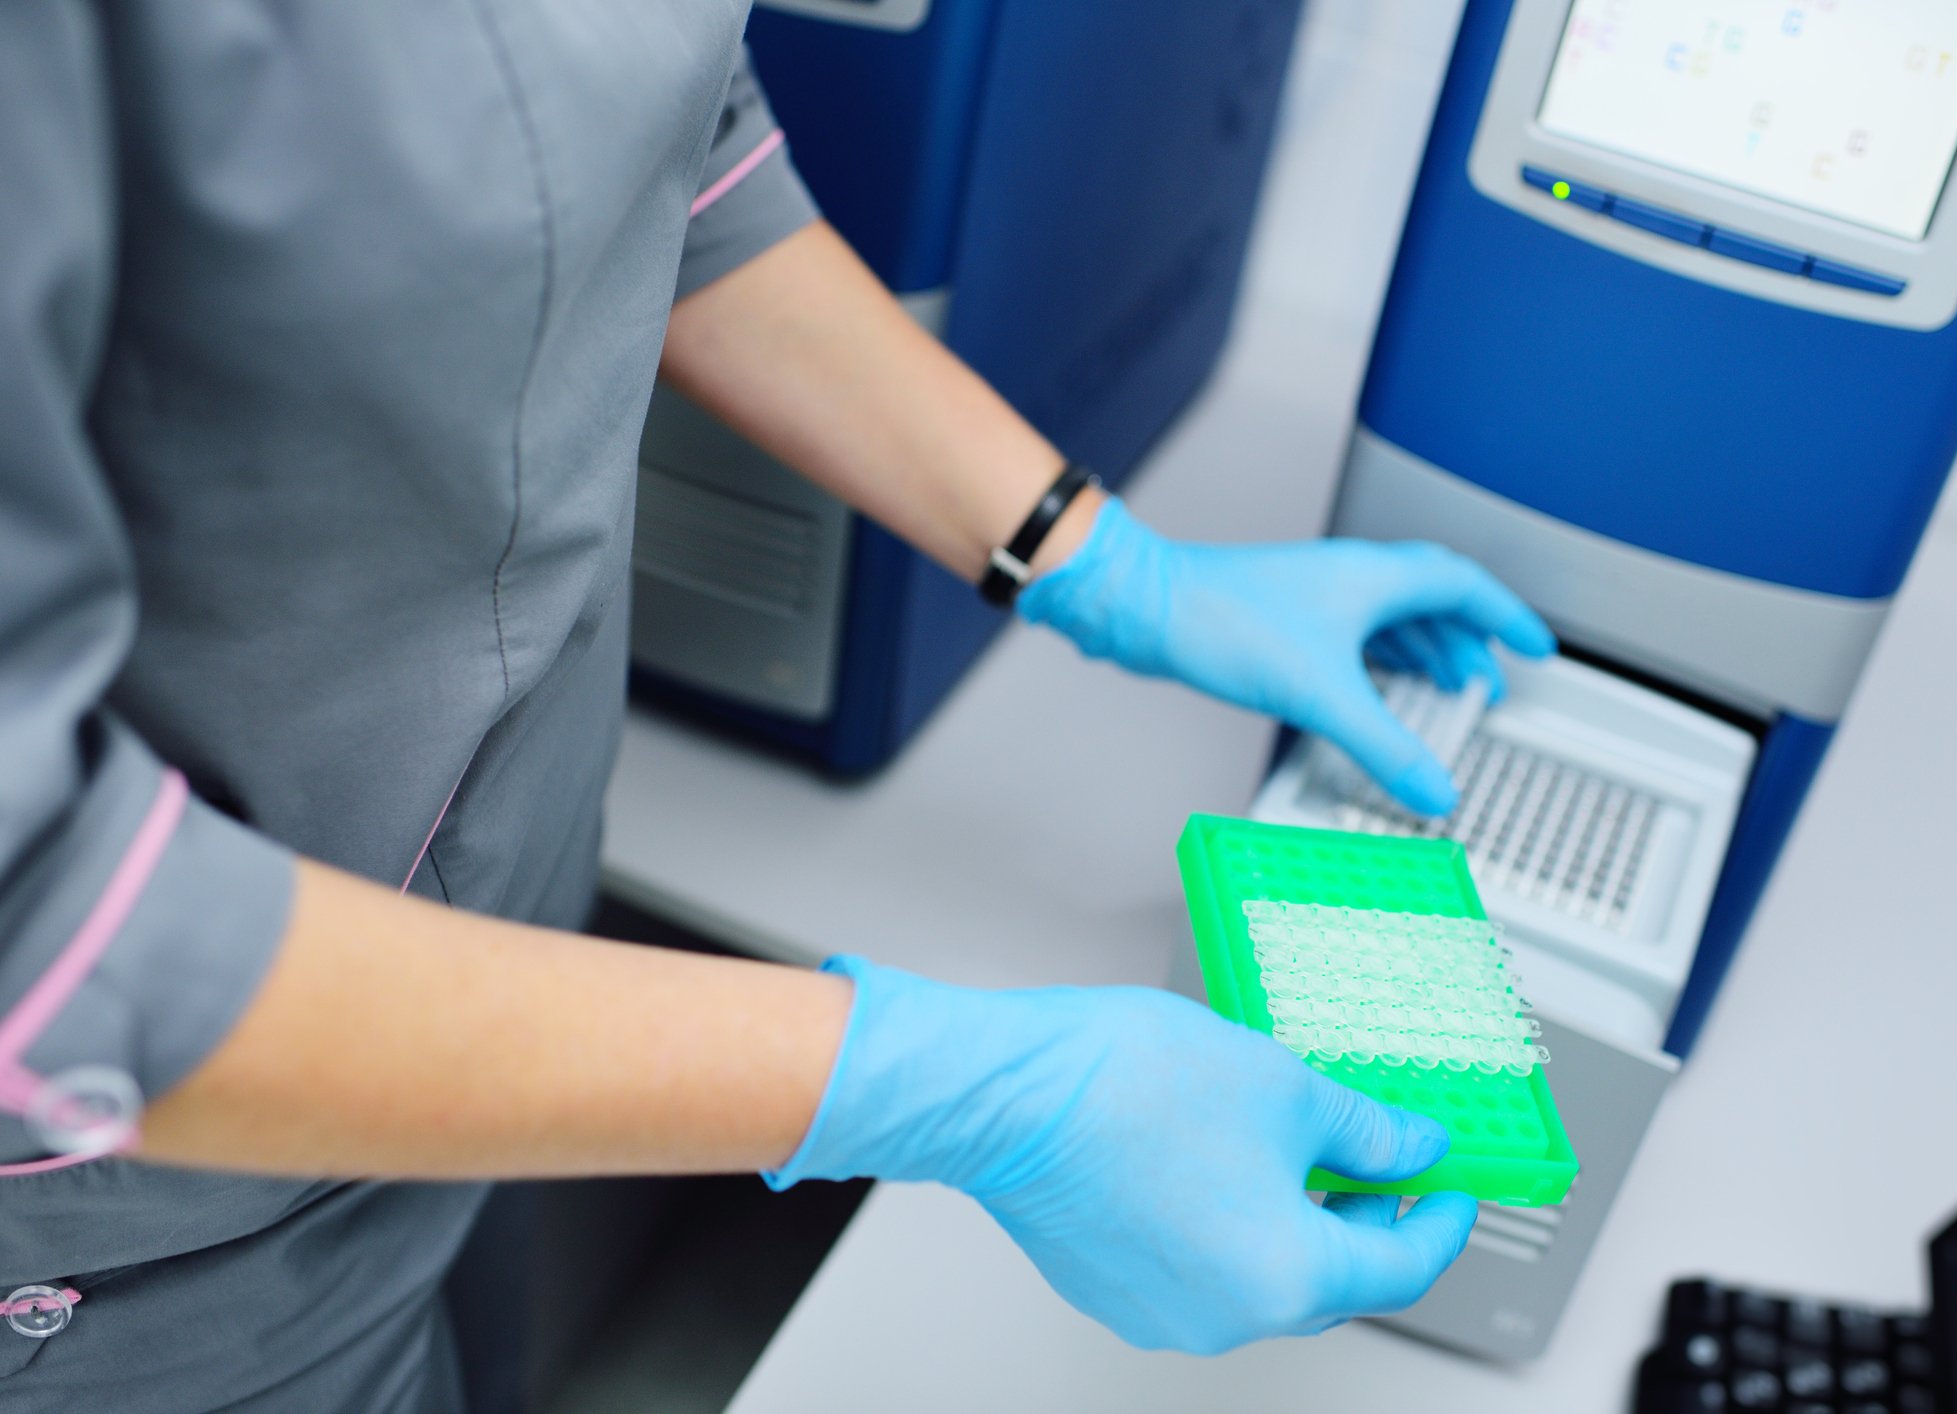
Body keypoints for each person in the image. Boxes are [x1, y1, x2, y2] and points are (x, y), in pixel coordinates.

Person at [0, 6, 1555, 1407]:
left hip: (482, 991)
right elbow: (48, 926)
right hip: (140, 1206)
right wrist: (955, 1093)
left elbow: (669, 139)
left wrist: (1099, 560)